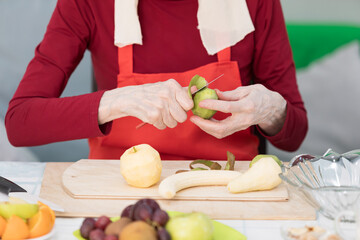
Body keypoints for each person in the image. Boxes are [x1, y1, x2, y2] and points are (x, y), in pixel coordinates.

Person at [5, 0, 308, 161]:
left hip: (229, 189)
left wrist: (272, 110)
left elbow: (294, 134)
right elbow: (20, 122)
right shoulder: (87, 3)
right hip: (118, 194)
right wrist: (115, 100)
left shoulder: (256, 2)